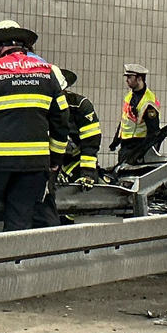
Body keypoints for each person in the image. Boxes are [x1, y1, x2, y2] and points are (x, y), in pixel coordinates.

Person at [0, 20, 69, 235]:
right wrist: (55, 159)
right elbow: (61, 119)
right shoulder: (47, 73)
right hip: (34, 165)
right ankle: (13, 266)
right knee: (19, 226)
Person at [32, 67, 103, 228]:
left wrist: (87, 173)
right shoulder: (42, 105)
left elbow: (90, 143)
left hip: (77, 161)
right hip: (50, 161)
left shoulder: (81, 106)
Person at [109, 63, 160, 165]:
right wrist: (116, 140)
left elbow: (153, 130)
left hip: (138, 145)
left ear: (139, 78)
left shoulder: (149, 101)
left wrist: (147, 151)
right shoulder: (129, 96)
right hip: (125, 144)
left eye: (129, 77)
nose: (127, 80)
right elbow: (124, 119)